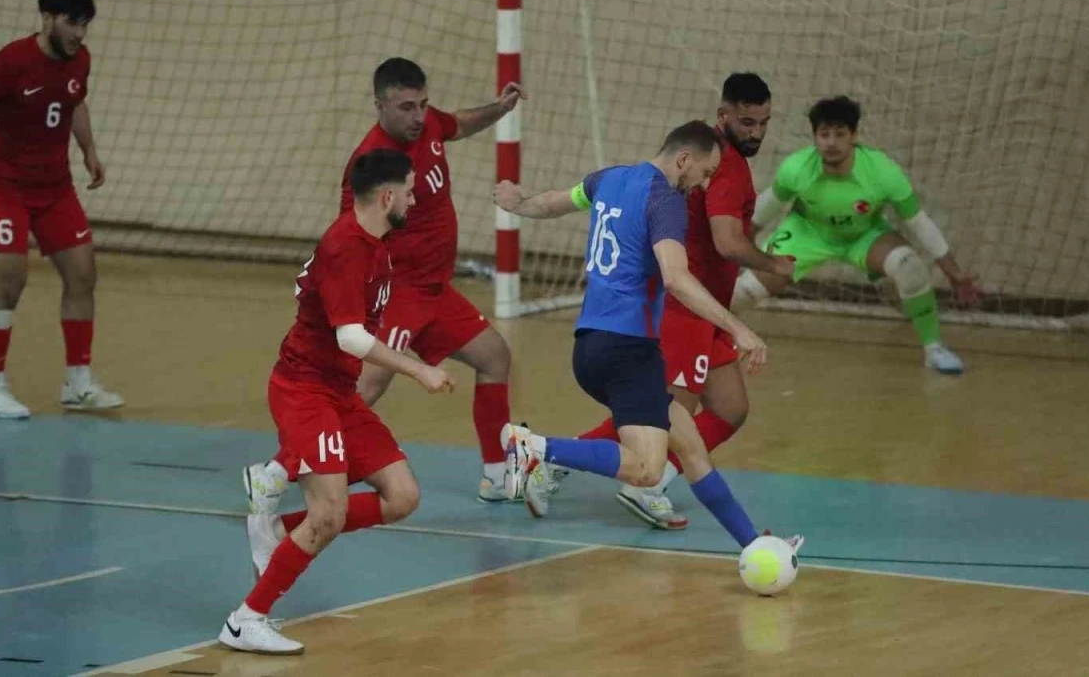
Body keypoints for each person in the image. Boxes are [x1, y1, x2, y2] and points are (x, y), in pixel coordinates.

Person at [494, 120, 802, 557]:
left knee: (692, 450)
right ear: (684, 160)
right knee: (646, 470)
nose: (704, 184)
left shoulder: (608, 179)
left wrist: (518, 204)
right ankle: (534, 448)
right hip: (628, 350)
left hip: (591, 344)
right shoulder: (666, 200)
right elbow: (676, 278)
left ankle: (754, 544)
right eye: (705, 173)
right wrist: (740, 329)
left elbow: (554, 203)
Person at [244, 58, 525, 510]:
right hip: (400, 293)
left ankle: (496, 473)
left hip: (435, 290)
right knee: (363, 390)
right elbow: (351, 237)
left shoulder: (429, 126)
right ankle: (274, 473)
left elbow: (458, 123)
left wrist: (500, 108)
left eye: (423, 105)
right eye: (406, 107)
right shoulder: (370, 163)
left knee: (494, 356)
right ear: (380, 106)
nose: (418, 116)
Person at [220, 149, 454, 656]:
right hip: (304, 390)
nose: (415, 200)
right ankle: (245, 620)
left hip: (338, 392)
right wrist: (418, 369)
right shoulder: (346, 246)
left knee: (402, 496)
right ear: (387, 197)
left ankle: (277, 530)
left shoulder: (377, 245)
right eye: (410, 192)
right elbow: (350, 336)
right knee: (328, 514)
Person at [563, 73, 795, 529]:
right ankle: (561, 465)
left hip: (708, 309)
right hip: (687, 306)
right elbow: (728, 242)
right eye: (747, 122)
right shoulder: (725, 167)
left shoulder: (712, 158)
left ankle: (646, 480)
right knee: (662, 412)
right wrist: (773, 265)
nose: (757, 132)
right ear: (723, 116)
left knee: (729, 409)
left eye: (764, 122)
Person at [735, 96, 980, 374]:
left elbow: (919, 223)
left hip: (865, 235)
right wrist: (736, 252)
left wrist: (954, 273)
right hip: (808, 232)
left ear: (854, 135)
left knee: (908, 266)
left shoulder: (882, 171)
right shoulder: (796, 168)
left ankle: (933, 349)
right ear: (814, 137)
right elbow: (762, 211)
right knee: (745, 290)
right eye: (824, 134)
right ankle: (705, 338)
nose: (831, 142)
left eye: (840, 134)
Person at [0, 0, 121, 418]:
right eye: (71, 23)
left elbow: (74, 102)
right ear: (46, 18)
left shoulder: (80, 60)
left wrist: (89, 151)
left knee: (82, 275)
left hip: (56, 190)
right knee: (9, 281)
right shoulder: (10, 63)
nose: (79, 33)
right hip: (7, 191)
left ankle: (78, 384)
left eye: (84, 24)